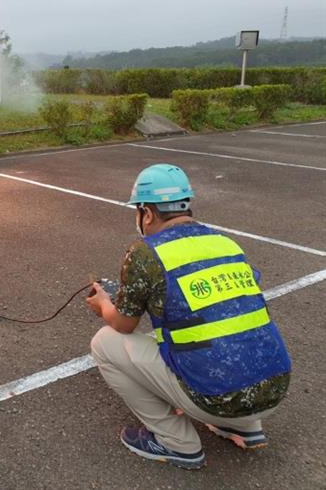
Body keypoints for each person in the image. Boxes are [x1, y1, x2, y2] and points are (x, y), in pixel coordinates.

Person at [86, 163, 291, 469]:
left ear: (148, 213)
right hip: (274, 389)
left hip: (215, 398)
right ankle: (245, 427)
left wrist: (103, 303)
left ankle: (177, 443)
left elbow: (124, 324)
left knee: (105, 342)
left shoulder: (145, 252)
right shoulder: (225, 243)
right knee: (225, 332)